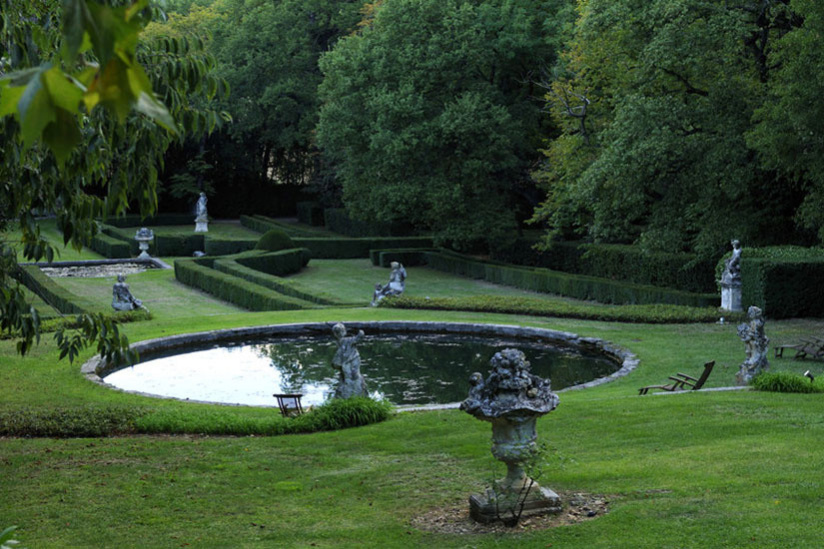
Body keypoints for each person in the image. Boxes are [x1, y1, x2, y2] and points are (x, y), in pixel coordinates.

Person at [330, 323, 368, 399]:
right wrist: (360, 332)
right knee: (352, 376)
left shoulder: (341, 341)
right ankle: (353, 394)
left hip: (349, 360)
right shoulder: (346, 340)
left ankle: (353, 393)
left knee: (351, 376)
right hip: (351, 359)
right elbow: (358, 338)